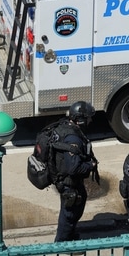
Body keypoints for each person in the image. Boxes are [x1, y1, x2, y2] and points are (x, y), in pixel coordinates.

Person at [53, 101, 98, 242]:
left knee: (71, 211)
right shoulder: (73, 139)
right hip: (69, 183)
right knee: (69, 214)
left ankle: (69, 236)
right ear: (80, 120)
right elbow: (74, 168)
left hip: (65, 179)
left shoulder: (65, 127)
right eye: (88, 118)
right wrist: (90, 165)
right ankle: (63, 242)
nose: (91, 121)